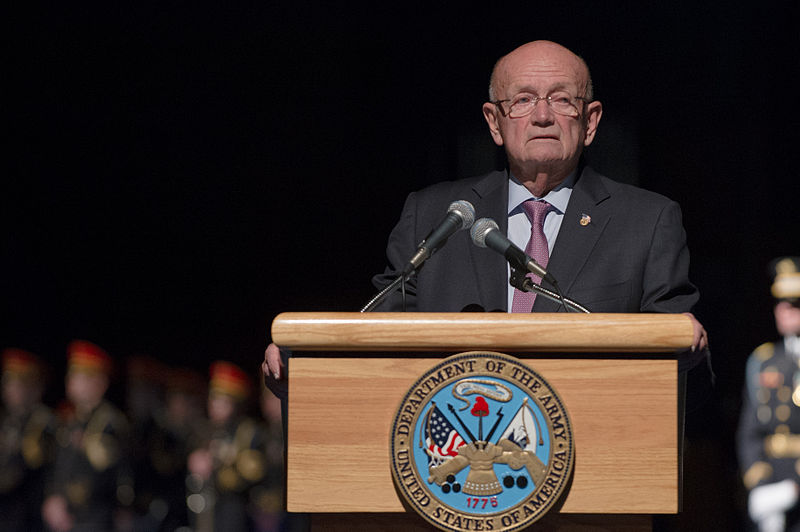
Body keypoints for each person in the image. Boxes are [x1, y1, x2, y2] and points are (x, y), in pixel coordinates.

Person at [263, 39, 709, 393]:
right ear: (494, 123)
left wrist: (686, 346)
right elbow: (377, 334)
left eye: (561, 100)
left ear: (590, 121)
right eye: (522, 100)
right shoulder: (434, 217)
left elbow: (681, 355)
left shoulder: (647, 222)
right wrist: (307, 364)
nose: (541, 116)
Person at [42, 340, 133, 532]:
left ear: (100, 382)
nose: (71, 380)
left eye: (80, 376)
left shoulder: (109, 422)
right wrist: (55, 498)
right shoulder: (71, 420)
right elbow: (60, 466)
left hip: (96, 516)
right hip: (66, 516)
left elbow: (112, 473)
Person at [738, 257, 800, 532]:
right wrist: (761, 483)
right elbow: (750, 430)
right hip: (774, 480)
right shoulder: (764, 362)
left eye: (795, 303)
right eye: (780, 303)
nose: (785, 310)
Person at [187, 360, 269, 532]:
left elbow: (252, 472)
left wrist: (218, 466)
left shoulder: (247, 432)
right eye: (213, 399)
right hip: (206, 509)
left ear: (235, 404)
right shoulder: (205, 429)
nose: (215, 406)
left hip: (235, 510)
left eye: (222, 401)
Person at [0, 348, 55, 532]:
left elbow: (20, 470)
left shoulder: (41, 422)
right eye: (8, 382)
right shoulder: (9, 420)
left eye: (17, 384)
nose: (9, 389)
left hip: (29, 513)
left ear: (34, 388)